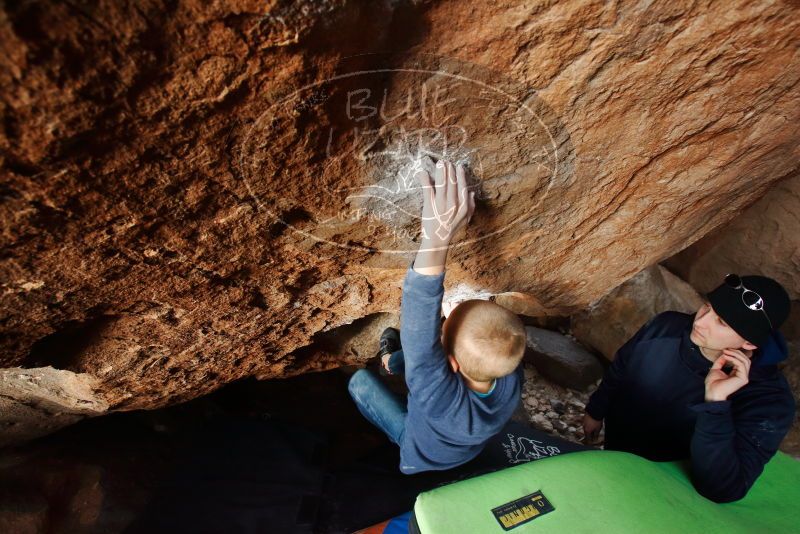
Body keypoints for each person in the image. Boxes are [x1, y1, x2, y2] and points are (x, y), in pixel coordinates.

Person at [347, 159, 527, 474]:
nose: (441, 324)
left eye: (443, 329)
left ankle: (389, 363)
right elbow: (430, 356)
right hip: (463, 449)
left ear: (452, 364)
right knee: (412, 362)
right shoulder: (508, 374)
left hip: (417, 453)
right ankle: (394, 362)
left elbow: (420, 337)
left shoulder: (439, 397)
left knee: (359, 381)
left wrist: (437, 236)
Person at [583, 274, 796, 502]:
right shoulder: (667, 326)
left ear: (750, 343)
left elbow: (723, 489)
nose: (700, 321)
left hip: (666, 495)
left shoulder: (770, 402)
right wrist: (596, 410)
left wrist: (716, 405)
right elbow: (622, 366)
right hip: (617, 454)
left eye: (721, 322)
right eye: (707, 307)